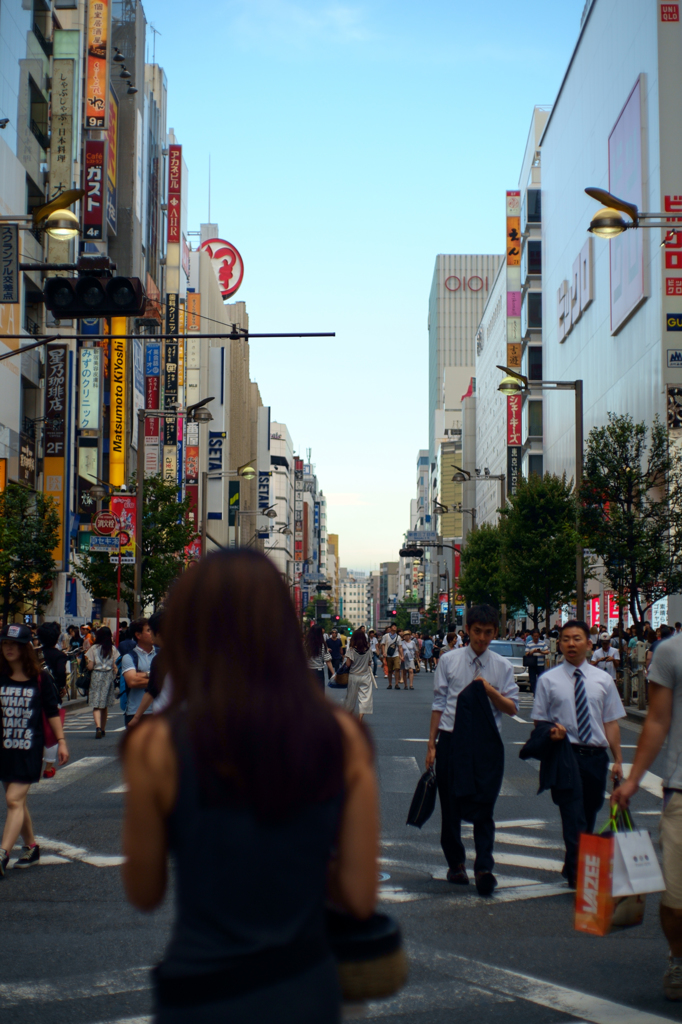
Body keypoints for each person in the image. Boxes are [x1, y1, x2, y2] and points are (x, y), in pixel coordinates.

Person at [121, 549, 378, 1023]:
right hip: (304, 986)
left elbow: (144, 888)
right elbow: (359, 896)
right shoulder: (342, 739)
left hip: (199, 988)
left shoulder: (156, 746)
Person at [426, 605, 519, 896]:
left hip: (486, 745)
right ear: (468, 630)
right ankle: (456, 864)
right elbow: (439, 704)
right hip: (452, 740)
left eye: (487, 633)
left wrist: (490, 690)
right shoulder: (449, 661)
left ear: (495, 633)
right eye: (476, 631)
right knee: (450, 806)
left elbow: (513, 707)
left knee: (484, 807)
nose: (481, 638)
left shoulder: (502, 667)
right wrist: (432, 744)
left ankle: (484, 868)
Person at [614, 626, 682, 1000]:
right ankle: (679, 955)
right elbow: (656, 719)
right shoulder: (672, 652)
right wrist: (633, 779)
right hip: (681, 788)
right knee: (675, 897)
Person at [531, 620, 624, 889]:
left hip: (596, 756)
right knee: (573, 815)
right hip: (565, 755)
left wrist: (618, 760)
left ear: (588, 644)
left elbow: (611, 722)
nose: (571, 644)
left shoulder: (603, 680)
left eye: (577, 638)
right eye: (566, 639)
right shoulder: (549, 680)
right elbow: (540, 721)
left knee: (590, 811)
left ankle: (574, 861)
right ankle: (579, 873)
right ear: (559, 644)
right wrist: (551, 733)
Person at [0, 624, 70, 876]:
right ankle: (31, 847)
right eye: (5, 643)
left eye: (14, 644)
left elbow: (52, 711)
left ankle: (3, 853)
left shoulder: (39, 678)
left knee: (13, 800)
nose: (9, 648)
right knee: (17, 803)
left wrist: (61, 741)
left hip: (29, 747)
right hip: (4, 749)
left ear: (25, 647)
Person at [37, 623, 68, 779]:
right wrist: (62, 686)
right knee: (51, 729)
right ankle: (48, 767)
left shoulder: (36, 653)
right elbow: (61, 672)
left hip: (34, 693)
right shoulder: (59, 655)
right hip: (52, 694)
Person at [127, 611, 167, 725]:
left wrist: (136, 718)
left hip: (165, 719)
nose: (150, 634)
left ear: (158, 633)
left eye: (151, 631)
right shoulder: (189, 653)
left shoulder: (161, 658)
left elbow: (152, 690)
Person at [121, 619, 157, 728]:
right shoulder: (129, 657)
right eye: (148, 630)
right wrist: (155, 677)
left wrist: (143, 674)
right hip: (135, 711)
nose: (152, 633)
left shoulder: (161, 654)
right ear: (138, 635)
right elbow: (132, 681)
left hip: (158, 711)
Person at [86, 626, 119, 739]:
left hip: (96, 675)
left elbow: (90, 666)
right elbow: (115, 665)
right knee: (104, 705)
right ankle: (103, 729)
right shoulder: (113, 649)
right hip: (108, 676)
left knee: (96, 704)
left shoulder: (93, 648)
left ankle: (98, 727)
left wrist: (87, 665)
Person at [340, 628, 374, 722]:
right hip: (365, 676)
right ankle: (360, 718)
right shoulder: (368, 650)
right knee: (365, 697)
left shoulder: (351, 650)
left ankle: (349, 717)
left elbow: (348, 664)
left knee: (351, 697)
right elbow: (369, 663)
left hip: (353, 676)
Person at [304, 625, 332, 690]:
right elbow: (328, 660)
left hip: (308, 671)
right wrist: (333, 673)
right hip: (318, 671)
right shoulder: (322, 645)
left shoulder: (305, 644)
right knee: (319, 692)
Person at [525, 628, 549, 695]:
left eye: (537, 636)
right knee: (532, 680)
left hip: (540, 664)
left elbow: (547, 651)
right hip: (532, 664)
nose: (536, 637)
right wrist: (532, 652)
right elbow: (526, 653)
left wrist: (540, 651)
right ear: (532, 636)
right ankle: (535, 693)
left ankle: (540, 693)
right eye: (534, 636)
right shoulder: (529, 643)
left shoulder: (542, 643)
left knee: (541, 679)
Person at [381, 623, 401, 690]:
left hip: (396, 654)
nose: (395, 627)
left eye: (395, 626)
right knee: (390, 670)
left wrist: (401, 655)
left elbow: (400, 647)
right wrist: (384, 652)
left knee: (397, 668)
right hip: (388, 655)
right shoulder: (386, 636)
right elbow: (383, 644)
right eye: (393, 626)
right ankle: (390, 684)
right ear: (391, 628)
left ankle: (396, 684)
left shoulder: (398, 637)